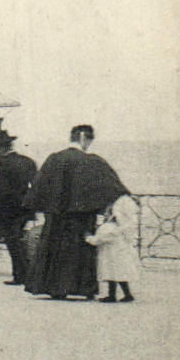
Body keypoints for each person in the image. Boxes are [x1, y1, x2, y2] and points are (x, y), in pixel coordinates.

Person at [25, 125, 126, 300]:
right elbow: (111, 187)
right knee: (79, 252)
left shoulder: (54, 159)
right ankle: (83, 288)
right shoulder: (92, 161)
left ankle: (55, 288)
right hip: (81, 218)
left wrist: (48, 207)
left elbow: (38, 189)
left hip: (56, 217)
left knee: (54, 250)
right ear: (84, 139)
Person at [0, 131, 38, 285]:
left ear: (1, 148)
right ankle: (27, 274)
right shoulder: (28, 161)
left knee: (13, 243)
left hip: (8, 210)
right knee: (21, 242)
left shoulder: (4, 163)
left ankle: (20, 275)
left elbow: (2, 189)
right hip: (26, 208)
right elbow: (36, 185)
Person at [86, 189, 140, 303]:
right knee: (120, 276)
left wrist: (88, 238)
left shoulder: (107, 228)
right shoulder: (117, 229)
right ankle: (127, 294)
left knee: (111, 275)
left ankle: (112, 295)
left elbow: (98, 240)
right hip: (120, 252)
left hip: (109, 255)